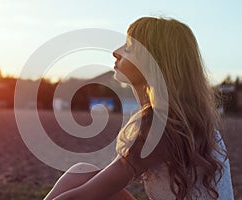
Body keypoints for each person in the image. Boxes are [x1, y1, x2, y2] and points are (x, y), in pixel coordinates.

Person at [44, 17, 234, 200]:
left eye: (128, 48)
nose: (116, 52)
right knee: (80, 173)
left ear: (153, 63)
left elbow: (80, 197)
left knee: (79, 179)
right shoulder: (181, 119)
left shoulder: (164, 126)